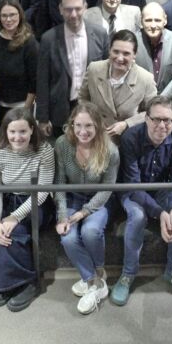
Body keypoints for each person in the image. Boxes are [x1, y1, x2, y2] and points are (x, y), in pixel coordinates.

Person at [112, 96, 172, 306]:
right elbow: (133, 183)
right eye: (156, 119)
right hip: (132, 190)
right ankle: (128, 274)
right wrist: (160, 213)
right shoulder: (131, 137)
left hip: (161, 189)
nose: (161, 125)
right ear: (146, 119)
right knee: (138, 216)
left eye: (167, 120)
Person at [0, 108, 55, 311]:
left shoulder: (44, 150)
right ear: (6, 132)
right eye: (12, 132)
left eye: (23, 132)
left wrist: (14, 217)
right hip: (6, 199)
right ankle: (2, 283)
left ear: (31, 131)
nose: (17, 137)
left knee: (15, 232)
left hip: (35, 201)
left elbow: (43, 191)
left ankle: (28, 282)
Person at [54, 103, 119, 315]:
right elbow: (59, 185)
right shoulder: (62, 144)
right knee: (68, 237)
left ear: (98, 126)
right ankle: (94, 281)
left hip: (99, 200)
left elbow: (107, 188)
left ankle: (95, 274)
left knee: (90, 231)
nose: (83, 131)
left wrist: (84, 212)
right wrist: (63, 216)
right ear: (71, 125)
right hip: (72, 198)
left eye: (89, 126)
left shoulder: (110, 150)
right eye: (78, 125)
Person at [37, 0, 109, 139]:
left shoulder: (100, 34)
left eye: (78, 8)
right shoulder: (48, 38)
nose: (74, 14)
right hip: (60, 110)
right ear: (61, 10)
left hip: (92, 107)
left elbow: (107, 74)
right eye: (68, 9)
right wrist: (43, 118)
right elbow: (42, 80)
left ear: (85, 7)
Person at [79, 29, 157, 141]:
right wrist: (92, 119)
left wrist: (127, 124)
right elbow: (83, 98)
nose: (120, 58)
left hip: (128, 139)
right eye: (116, 52)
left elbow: (152, 112)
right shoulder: (94, 69)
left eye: (126, 53)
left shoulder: (146, 79)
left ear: (134, 55)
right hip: (96, 136)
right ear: (109, 50)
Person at [0, 2, 39, 125]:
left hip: (20, 107)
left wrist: (25, 110)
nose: (8, 19)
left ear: (20, 16)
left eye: (12, 15)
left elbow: (34, 82)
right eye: (4, 15)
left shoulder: (30, 43)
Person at [135, 3, 172, 102]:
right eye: (148, 20)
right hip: (139, 103)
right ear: (141, 21)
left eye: (157, 20)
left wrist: (161, 99)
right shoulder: (132, 41)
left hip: (168, 103)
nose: (153, 25)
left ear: (165, 20)